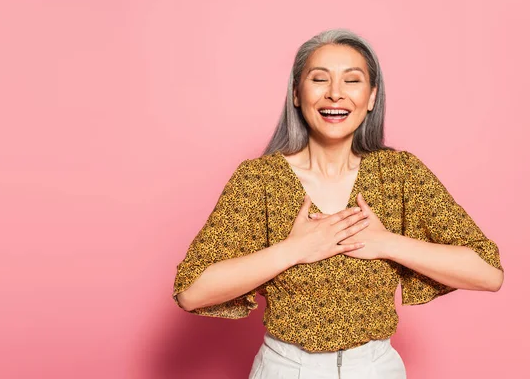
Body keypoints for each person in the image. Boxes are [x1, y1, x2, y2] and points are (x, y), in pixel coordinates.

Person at [171, 28, 504, 379]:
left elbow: (488, 272)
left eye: (352, 81)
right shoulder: (260, 179)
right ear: (297, 94)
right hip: (287, 368)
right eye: (319, 79)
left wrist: (387, 243)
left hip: (376, 369)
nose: (335, 94)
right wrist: (294, 249)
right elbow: (190, 292)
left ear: (372, 97)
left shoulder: (399, 173)